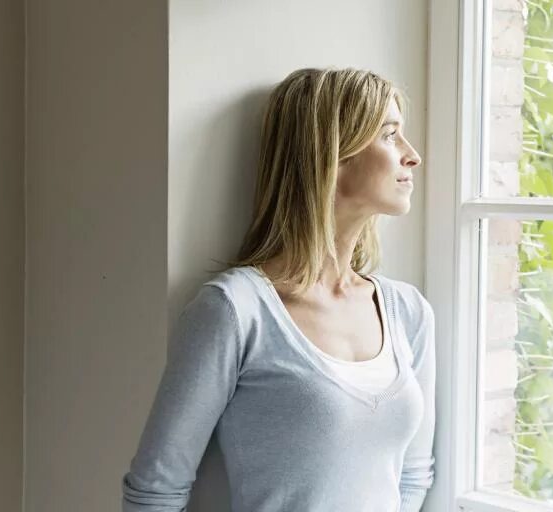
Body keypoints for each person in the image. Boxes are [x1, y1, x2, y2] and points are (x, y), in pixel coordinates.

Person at [121, 67, 436, 512]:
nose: (413, 156)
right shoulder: (235, 310)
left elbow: (413, 475)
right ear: (332, 153)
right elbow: (155, 491)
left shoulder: (408, 311)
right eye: (389, 135)